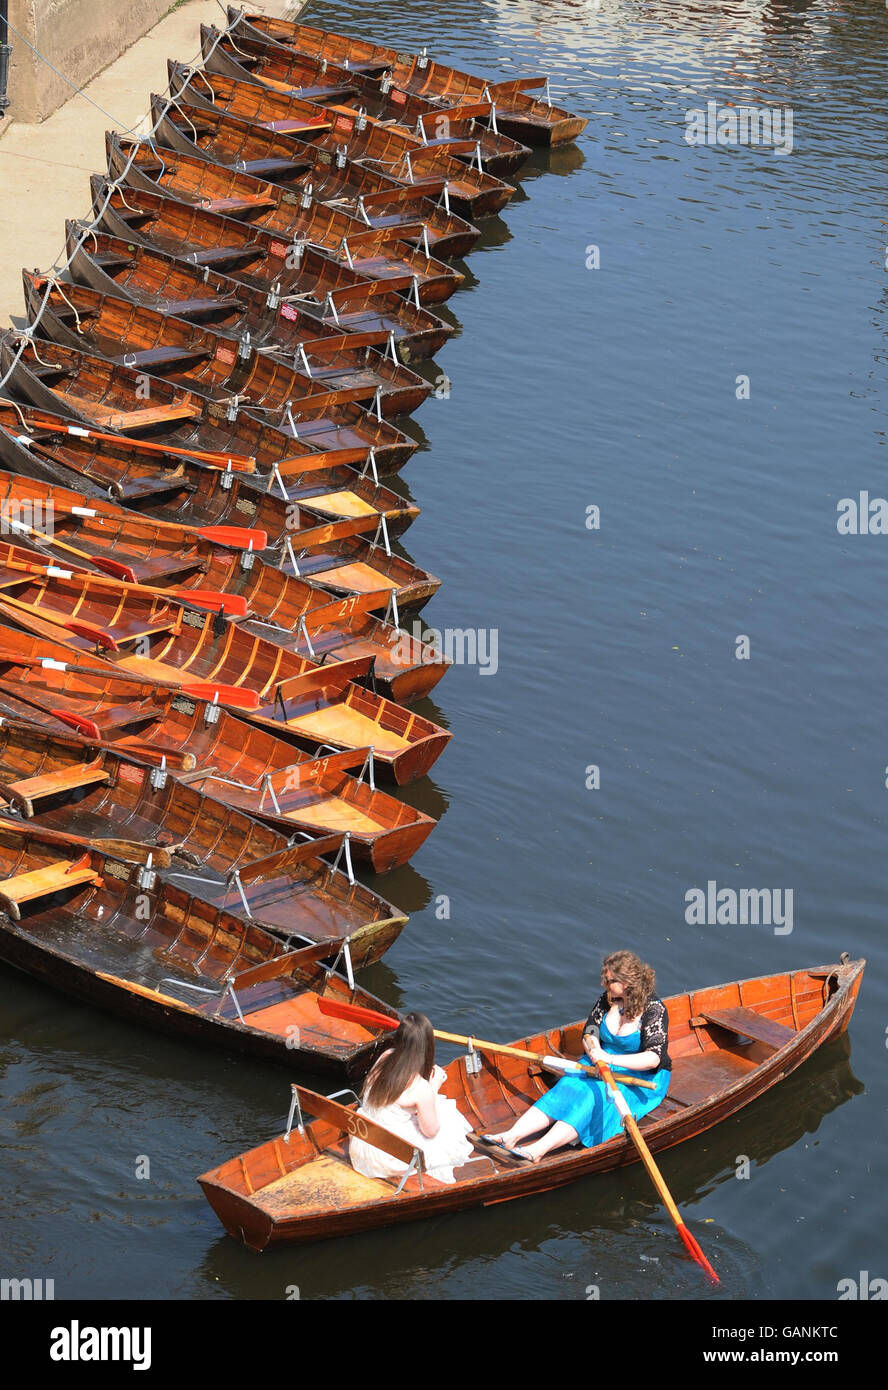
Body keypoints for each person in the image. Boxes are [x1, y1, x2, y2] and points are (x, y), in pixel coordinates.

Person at [484, 950, 671, 1162]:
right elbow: (590, 1030)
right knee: (568, 1084)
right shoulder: (609, 998)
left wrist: (608, 1059)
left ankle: (537, 1150)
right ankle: (510, 1136)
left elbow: (652, 1058)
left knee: (594, 1095)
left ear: (626, 983)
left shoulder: (654, 1010)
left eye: (608, 980)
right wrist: (593, 1049)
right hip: (599, 1059)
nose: (603, 984)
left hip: (639, 1076)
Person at [349, 1011, 474, 1184]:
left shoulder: (385, 1057)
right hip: (389, 1157)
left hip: (363, 1145)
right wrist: (433, 1088)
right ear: (426, 1046)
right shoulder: (420, 1087)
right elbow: (431, 1132)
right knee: (447, 1116)